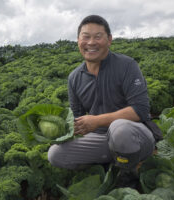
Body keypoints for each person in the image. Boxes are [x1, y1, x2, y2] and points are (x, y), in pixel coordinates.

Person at [47, 15, 156, 188]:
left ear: (109, 40)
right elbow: (78, 118)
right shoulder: (74, 78)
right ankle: (113, 161)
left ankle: (129, 174)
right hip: (102, 138)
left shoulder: (127, 65)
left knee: (119, 129)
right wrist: (58, 130)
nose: (91, 42)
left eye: (98, 36)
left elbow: (141, 110)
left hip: (135, 135)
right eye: (86, 36)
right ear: (78, 41)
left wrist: (97, 121)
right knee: (55, 154)